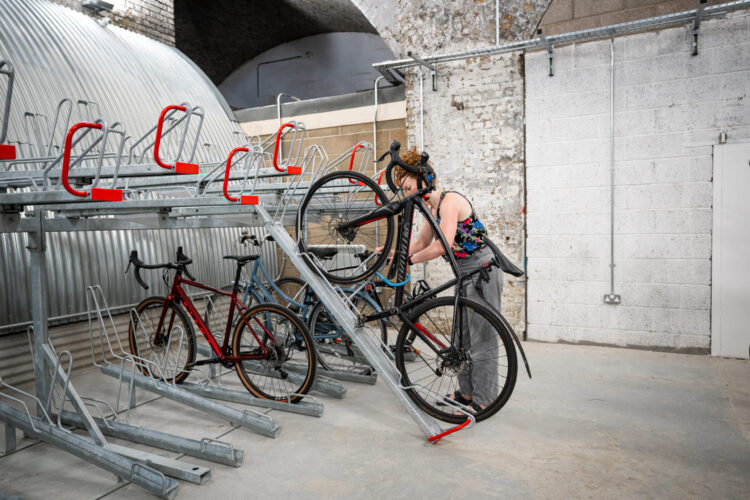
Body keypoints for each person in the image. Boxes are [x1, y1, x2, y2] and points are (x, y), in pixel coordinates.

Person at [383, 147, 504, 414]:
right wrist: (395, 254)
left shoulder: (449, 202)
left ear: (423, 178)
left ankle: (484, 400)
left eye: (407, 186)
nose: (406, 193)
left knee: (482, 336)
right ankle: (466, 393)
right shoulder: (432, 209)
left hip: (483, 269)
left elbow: (442, 246)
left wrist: (410, 261)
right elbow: (420, 244)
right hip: (463, 272)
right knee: (461, 337)